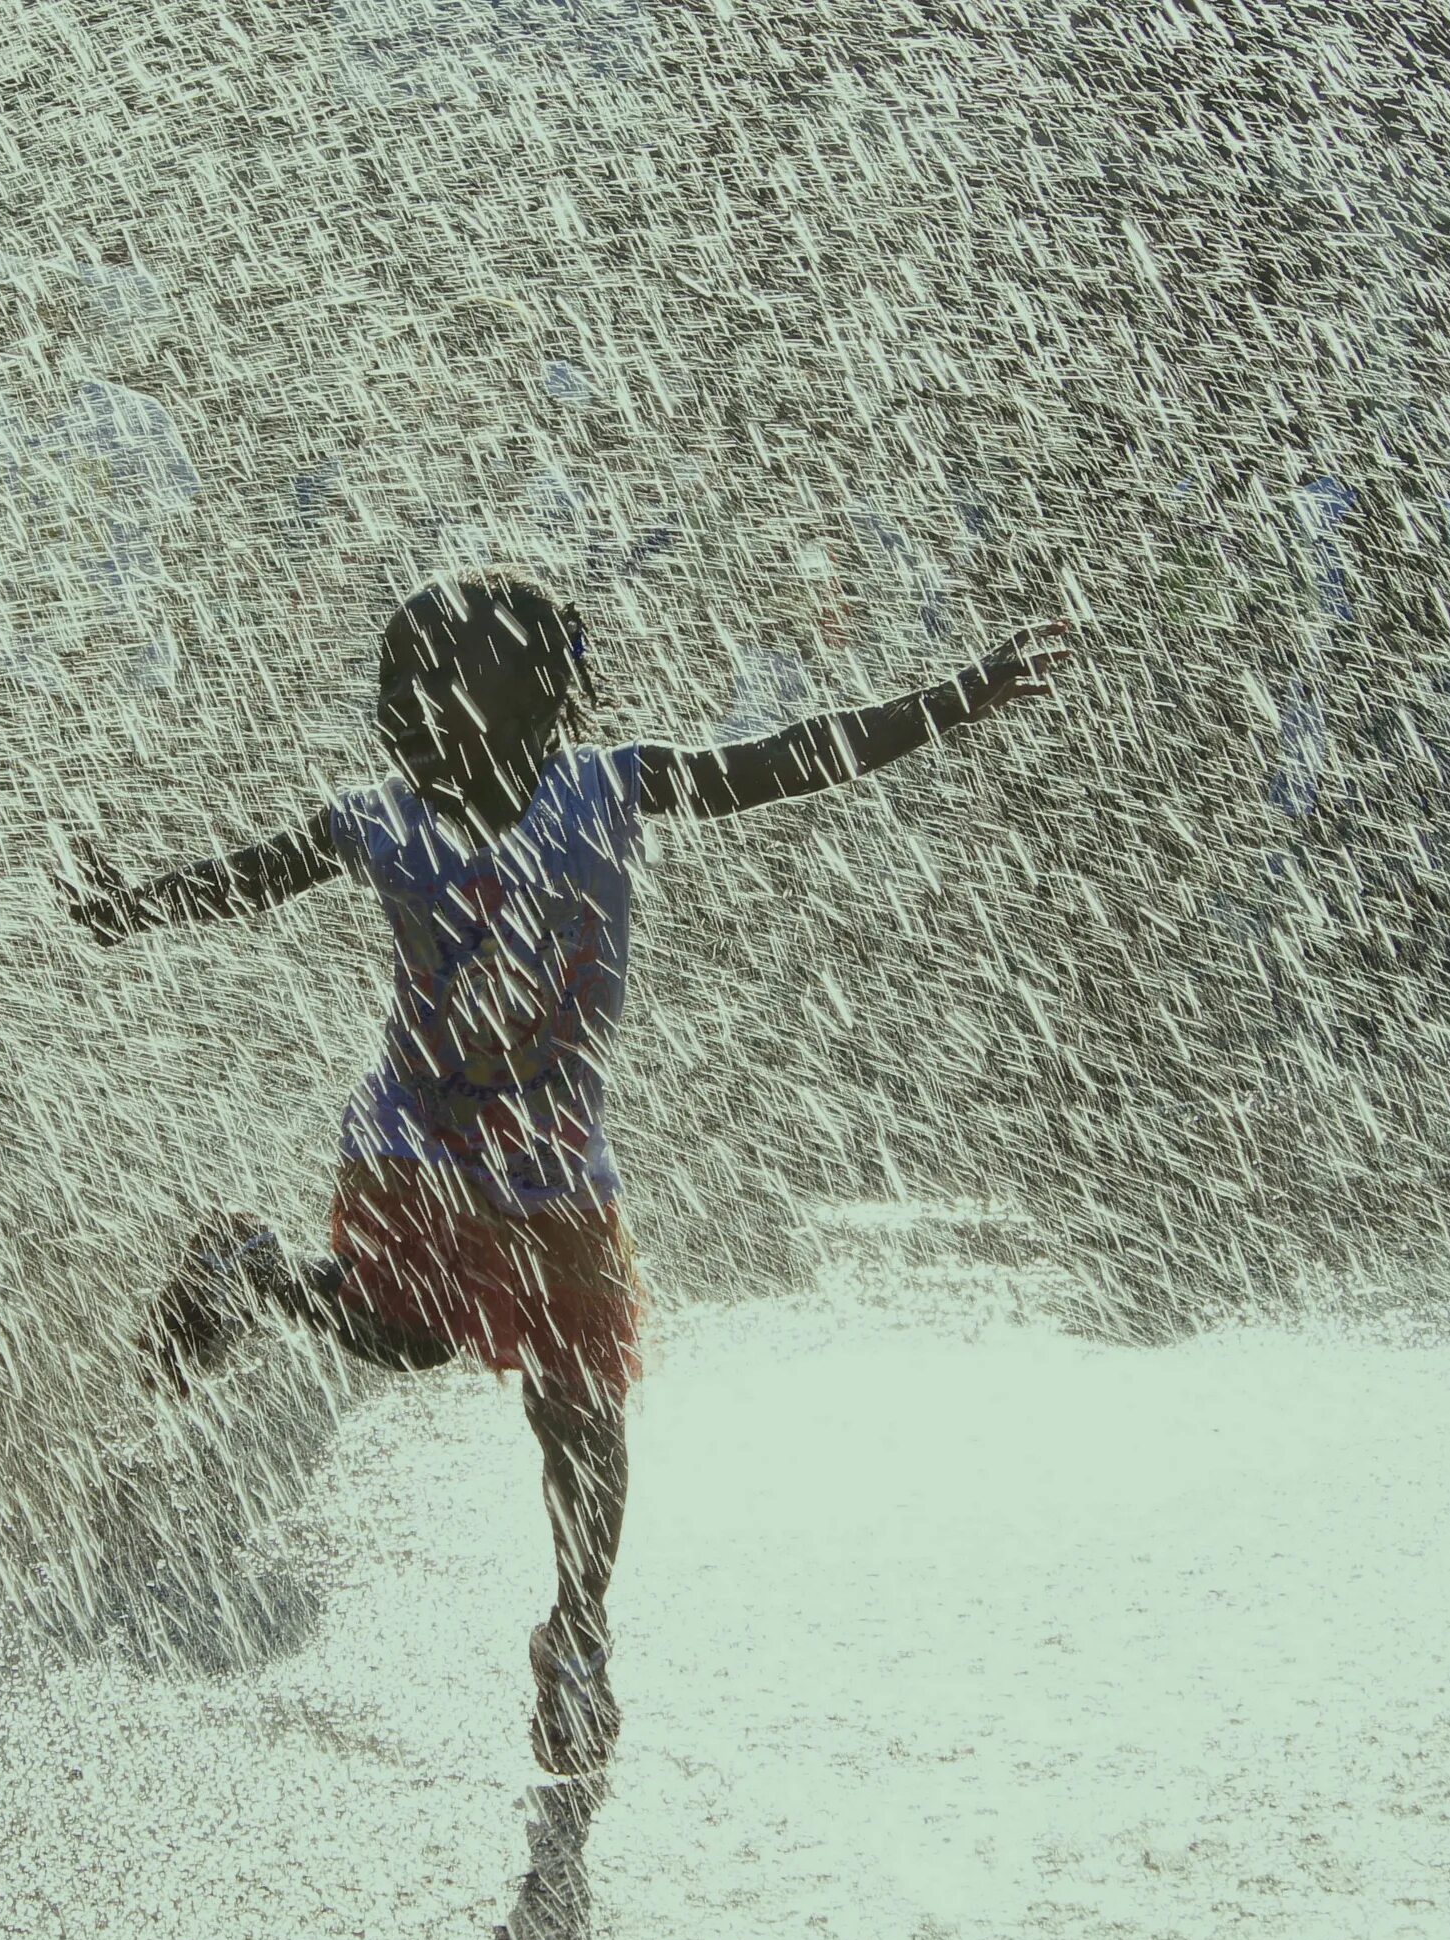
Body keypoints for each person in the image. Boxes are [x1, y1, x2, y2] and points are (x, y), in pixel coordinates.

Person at [57, 572, 1070, 1774]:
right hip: (419, 1152)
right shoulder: (396, 818)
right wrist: (126, 907)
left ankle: (581, 1634)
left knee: (579, 1404)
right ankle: (254, 1270)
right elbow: (242, 880)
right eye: (395, 694)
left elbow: (798, 756)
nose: (402, 719)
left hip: (551, 1171)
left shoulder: (595, 788)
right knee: (416, 1344)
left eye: (420, 693)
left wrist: (960, 697)